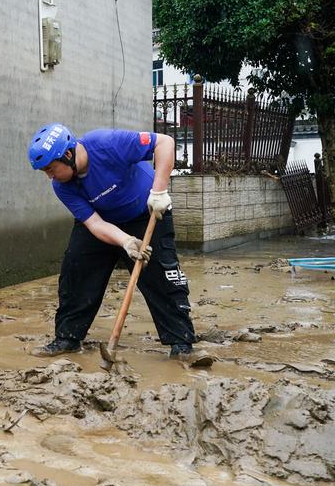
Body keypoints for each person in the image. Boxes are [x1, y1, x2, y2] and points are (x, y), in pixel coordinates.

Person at [27, 123, 212, 367]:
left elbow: (164, 142)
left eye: (51, 169)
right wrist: (125, 241)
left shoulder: (107, 144)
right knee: (76, 270)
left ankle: (181, 344)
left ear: (68, 155)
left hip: (147, 211)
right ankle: (68, 338)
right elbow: (93, 224)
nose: (49, 177)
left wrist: (159, 192)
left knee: (161, 274)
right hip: (103, 221)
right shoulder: (62, 187)